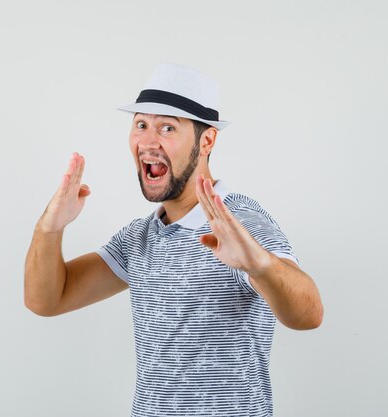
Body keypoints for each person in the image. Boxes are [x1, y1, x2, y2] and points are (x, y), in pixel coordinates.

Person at [24, 63, 323, 417]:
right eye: (141, 125)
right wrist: (50, 228)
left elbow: (309, 314)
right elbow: (47, 300)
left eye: (168, 127)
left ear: (207, 140)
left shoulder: (240, 225)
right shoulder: (140, 238)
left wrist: (259, 264)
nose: (149, 141)